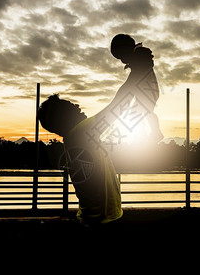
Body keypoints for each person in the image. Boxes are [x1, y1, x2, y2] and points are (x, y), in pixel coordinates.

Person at [38, 34, 163, 225]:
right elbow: (118, 104)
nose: (78, 107)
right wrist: (139, 72)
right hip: (101, 223)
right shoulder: (82, 134)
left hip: (95, 219)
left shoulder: (77, 140)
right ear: (64, 118)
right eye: (72, 106)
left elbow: (119, 127)